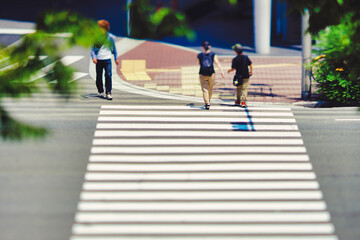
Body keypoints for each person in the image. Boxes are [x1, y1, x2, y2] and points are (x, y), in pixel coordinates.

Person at [91, 20, 119, 100]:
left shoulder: (110, 37)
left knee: (108, 75)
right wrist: (94, 57)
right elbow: (92, 49)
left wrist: (116, 58)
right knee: (99, 76)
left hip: (107, 59)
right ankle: (100, 91)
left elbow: (114, 48)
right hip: (99, 59)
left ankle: (108, 92)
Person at [197, 40, 224, 110]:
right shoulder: (213, 54)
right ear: (209, 46)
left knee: (204, 89)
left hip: (202, 73)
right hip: (211, 73)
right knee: (210, 88)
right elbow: (217, 62)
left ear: (202, 47)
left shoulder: (199, 55)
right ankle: (209, 100)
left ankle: (207, 103)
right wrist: (221, 71)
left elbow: (199, 64)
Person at [227, 43, 253, 108]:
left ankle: (238, 100)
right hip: (246, 76)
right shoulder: (246, 57)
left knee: (238, 88)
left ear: (235, 51)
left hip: (238, 76)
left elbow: (233, 68)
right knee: (244, 89)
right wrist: (251, 71)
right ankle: (243, 102)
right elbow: (250, 65)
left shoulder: (235, 59)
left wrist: (229, 71)